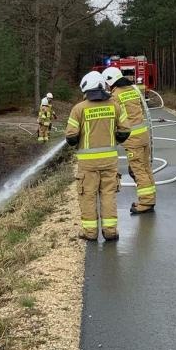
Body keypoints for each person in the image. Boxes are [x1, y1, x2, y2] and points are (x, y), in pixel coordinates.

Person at [64, 71, 131, 241]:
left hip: (87, 165)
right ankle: (110, 232)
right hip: (109, 162)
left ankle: (90, 233)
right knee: (108, 195)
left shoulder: (79, 109)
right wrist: (113, 140)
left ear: (86, 89)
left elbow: (71, 138)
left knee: (88, 196)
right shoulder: (114, 105)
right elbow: (125, 130)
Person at [102, 65, 156, 214]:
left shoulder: (115, 95)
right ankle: (150, 198)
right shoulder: (133, 90)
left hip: (132, 138)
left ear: (110, 81)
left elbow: (113, 116)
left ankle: (145, 202)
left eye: (106, 83)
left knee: (138, 170)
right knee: (145, 168)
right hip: (143, 135)